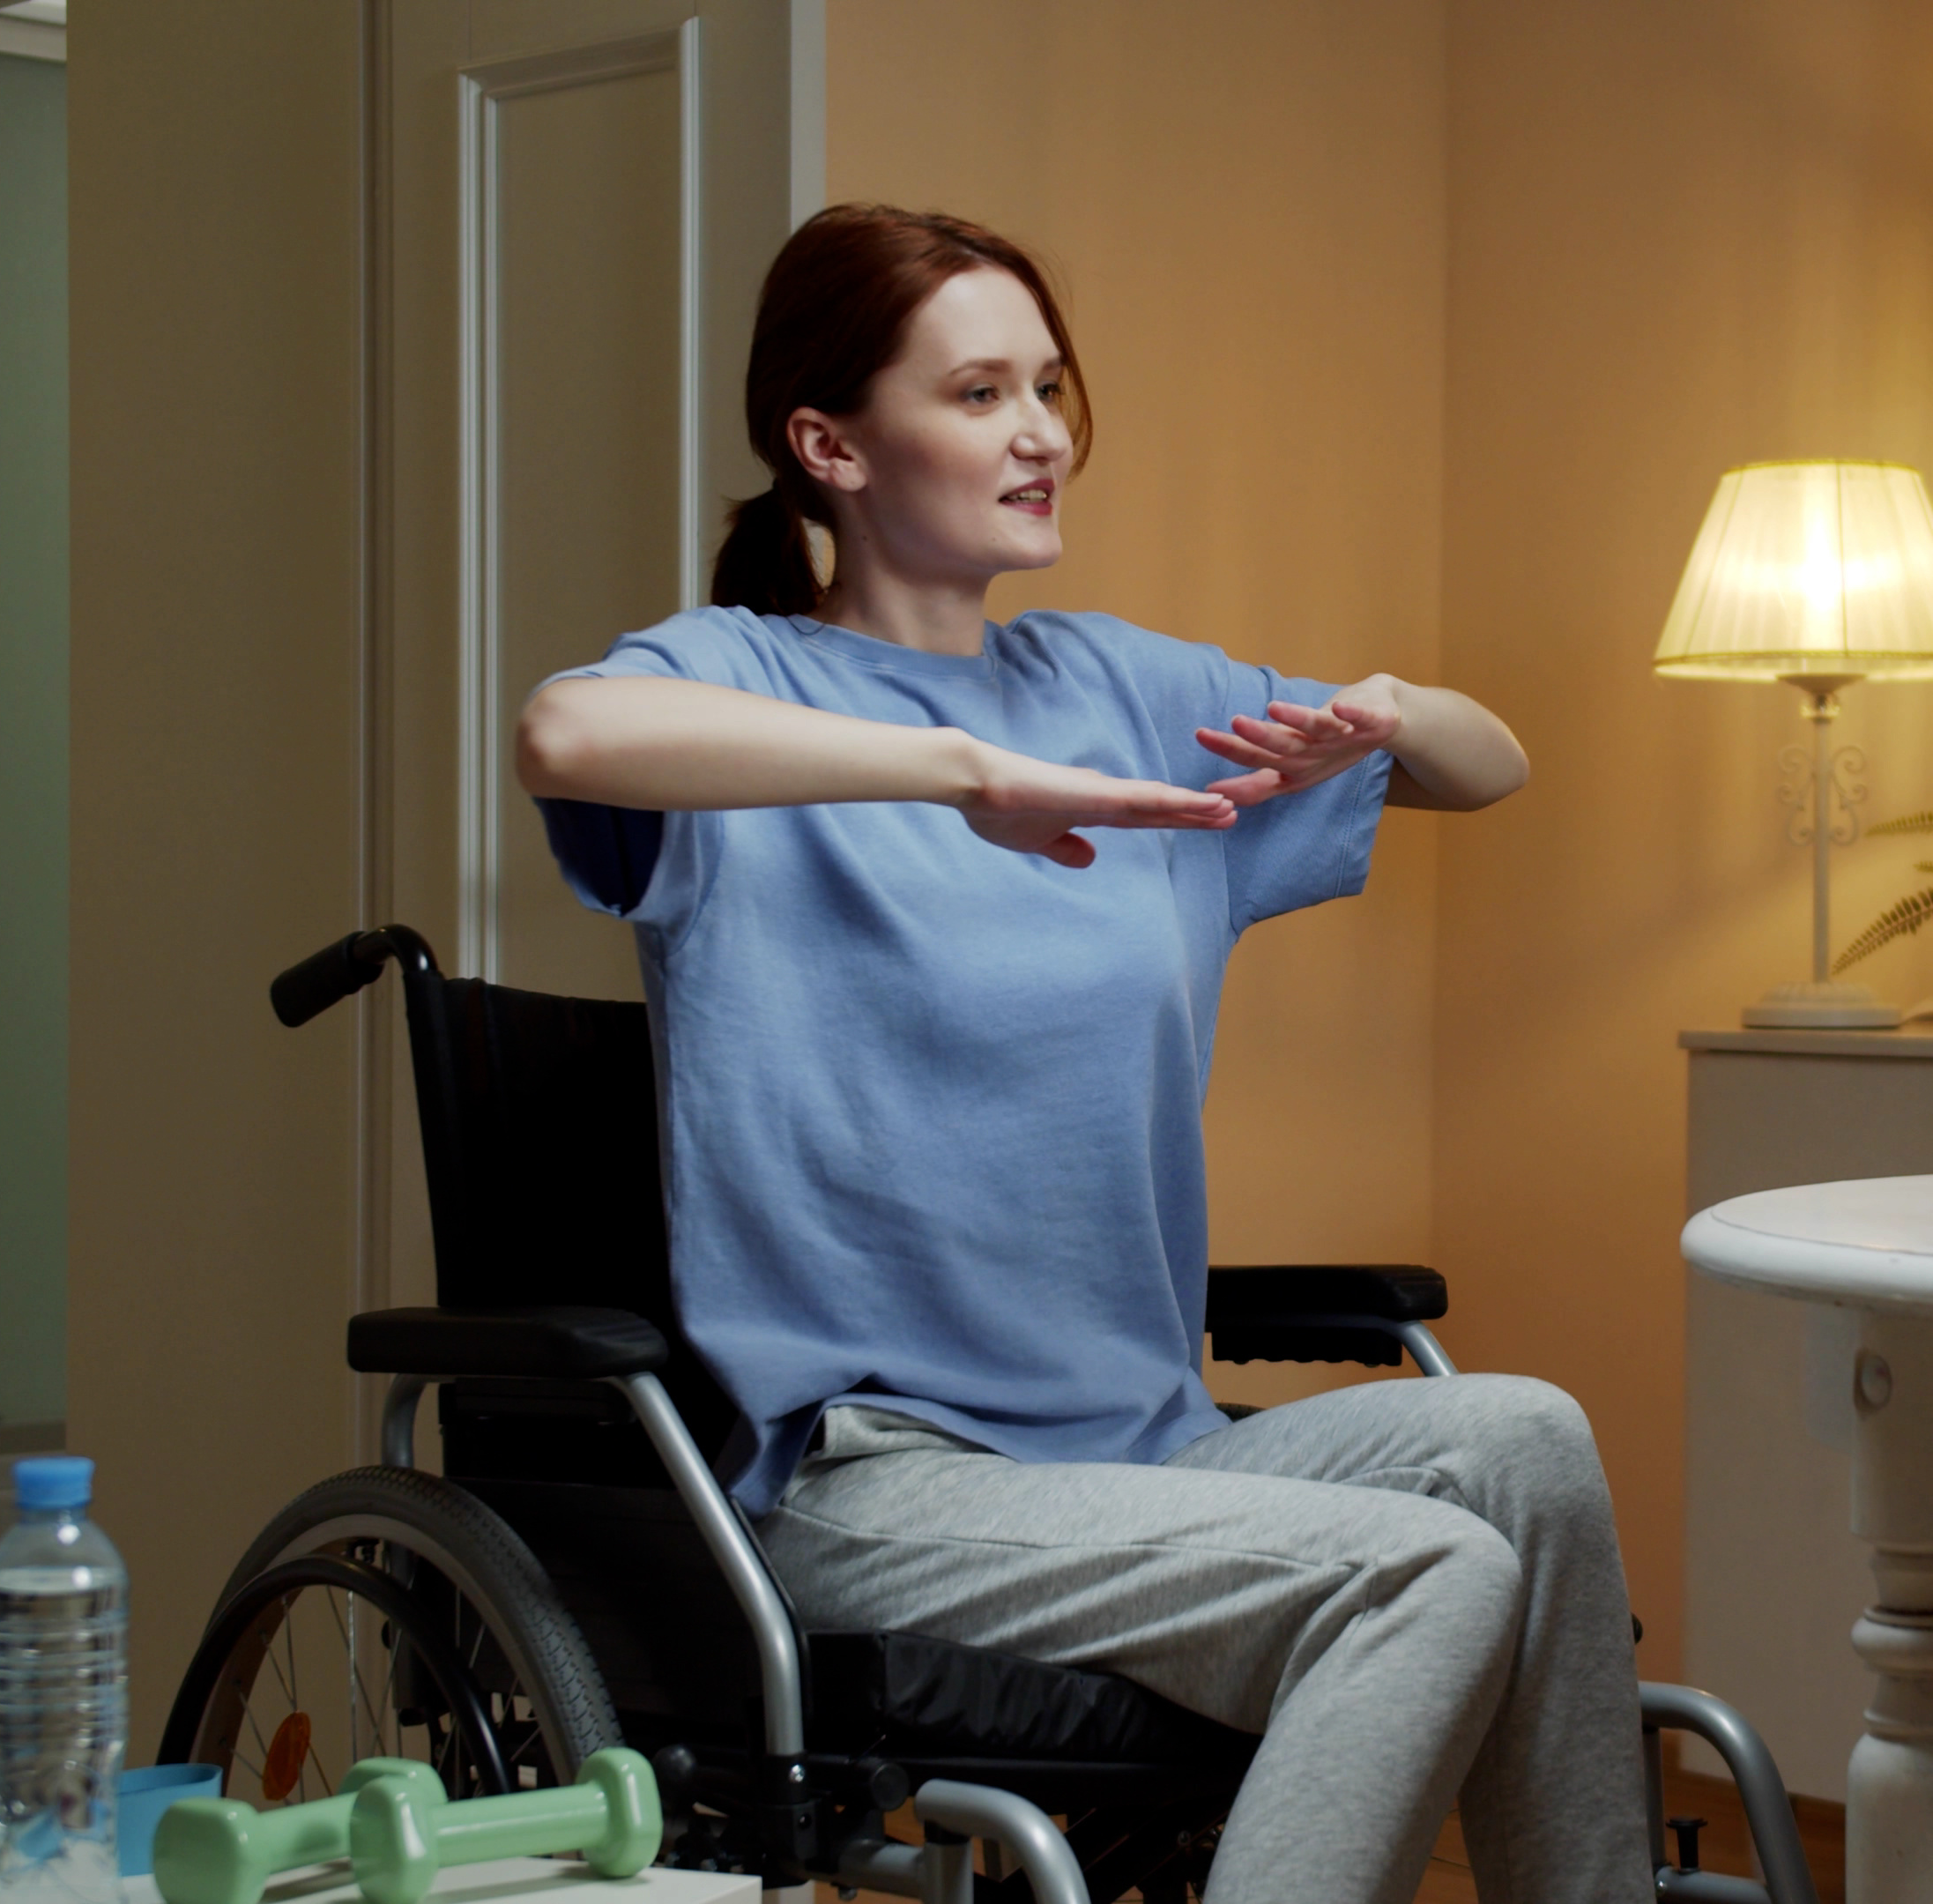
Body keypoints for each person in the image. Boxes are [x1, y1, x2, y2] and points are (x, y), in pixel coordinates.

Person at [513, 205, 1641, 1904]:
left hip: (1146, 1449)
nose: (1042, 432)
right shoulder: (740, 678)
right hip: (882, 1481)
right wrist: (960, 771)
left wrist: (1392, 711)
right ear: (830, 446)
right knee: (1428, 1573)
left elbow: (1490, 771)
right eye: (980, 394)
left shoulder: (1118, 689)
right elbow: (564, 729)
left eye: (1048, 386)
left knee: (1528, 1440)